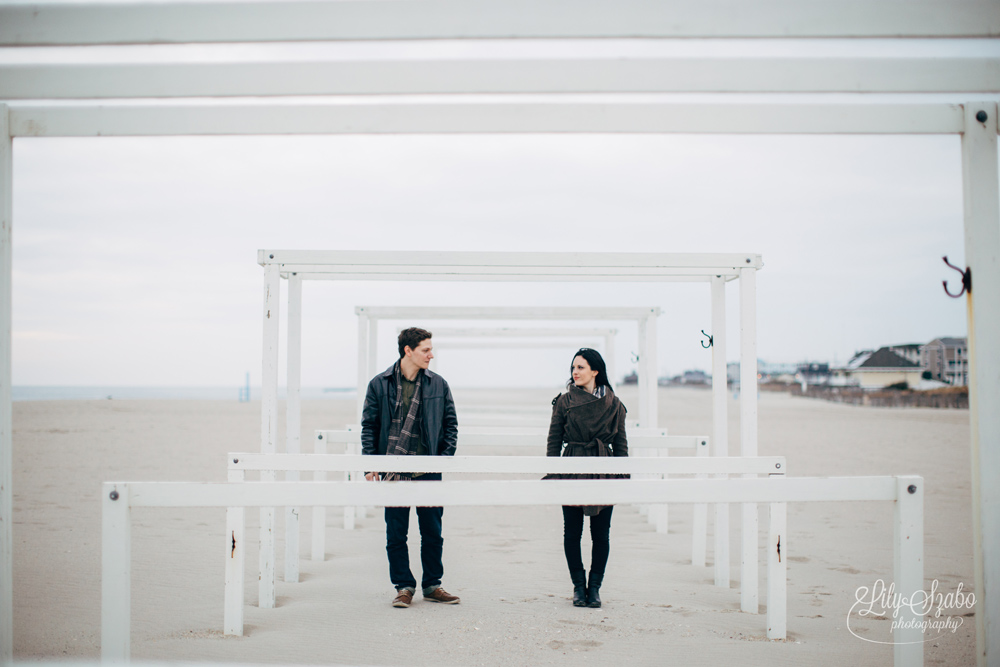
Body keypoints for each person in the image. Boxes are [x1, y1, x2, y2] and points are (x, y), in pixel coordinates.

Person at [362, 327, 460, 608]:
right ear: (408, 350)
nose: (432, 354)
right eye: (426, 349)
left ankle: (432, 585)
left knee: (432, 532)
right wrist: (370, 463)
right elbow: (369, 426)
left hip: (428, 468)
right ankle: (403, 586)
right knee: (396, 534)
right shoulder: (379, 384)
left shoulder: (438, 385)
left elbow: (451, 424)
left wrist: (443, 457)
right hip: (393, 469)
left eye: (431, 349)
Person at [546, 347, 628, 609]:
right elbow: (554, 440)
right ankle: (578, 587)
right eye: (573, 368)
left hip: (604, 468)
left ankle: (594, 589)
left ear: (595, 371)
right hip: (572, 466)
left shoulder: (614, 403)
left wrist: (623, 477)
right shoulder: (564, 401)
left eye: (580, 367)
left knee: (600, 534)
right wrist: (553, 472)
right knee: (572, 532)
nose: (575, 372)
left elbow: (621, 443)